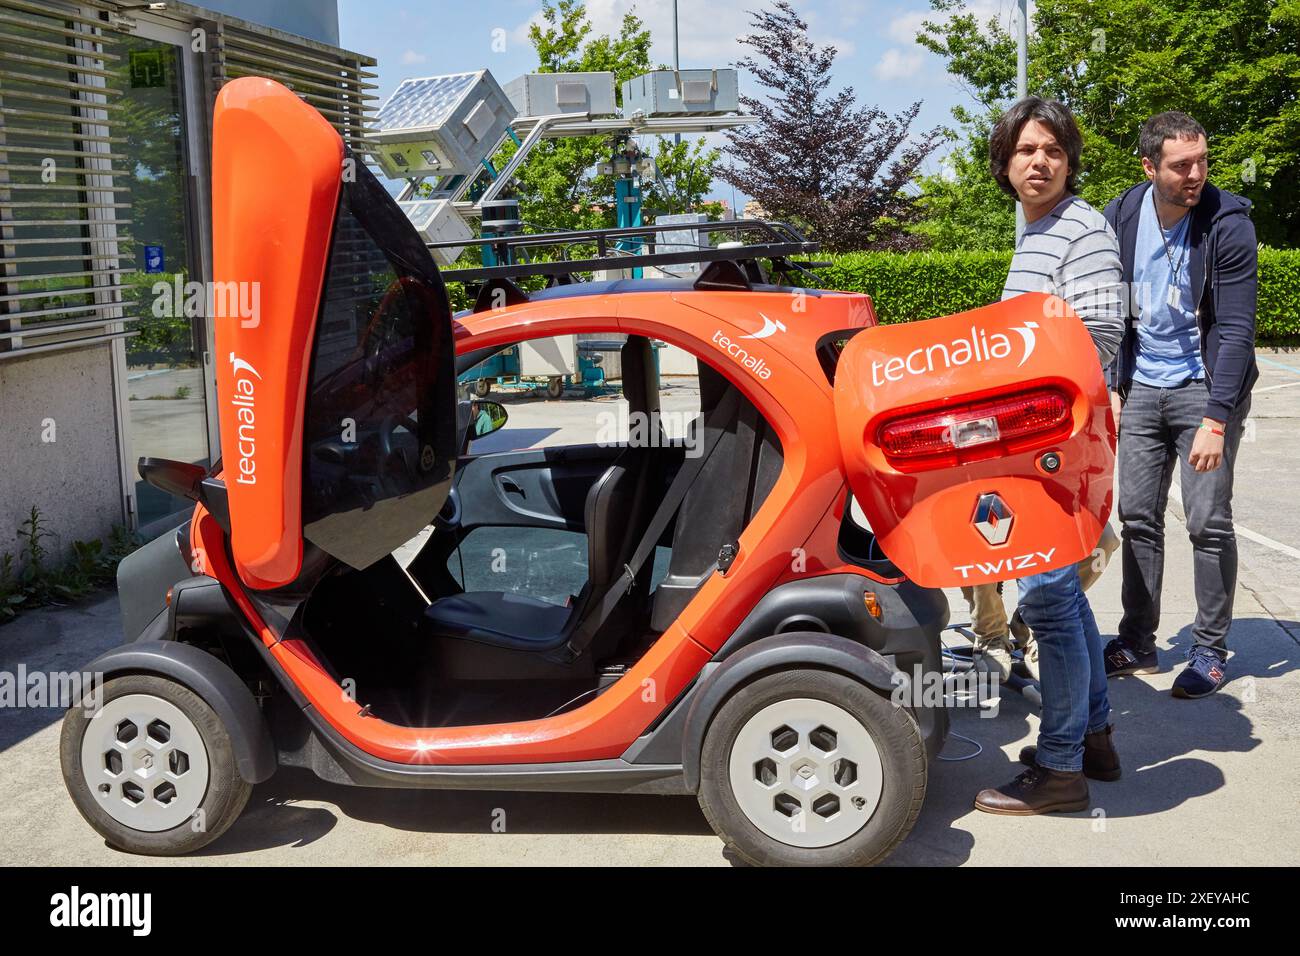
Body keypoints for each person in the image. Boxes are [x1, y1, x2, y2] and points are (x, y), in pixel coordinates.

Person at [972, 97, 1125, 815]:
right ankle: (1093, 735)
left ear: (1070, 161)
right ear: (1005, 163)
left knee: (1048, 602)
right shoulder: (1036, 232)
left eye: (1053, 151)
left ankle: (1061, 768)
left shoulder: (1083, 232)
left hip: (1059, 450)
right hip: (1035, 447)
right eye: (1027, 150)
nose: (1040, 162)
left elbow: (1097, 346)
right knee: (1061, 601)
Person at [1100, 112, 1258, 698]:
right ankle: (1138, 642)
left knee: (1207, 522)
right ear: (1149, 166)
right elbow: (1112, 305)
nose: (1196, 175)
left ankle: (1210, 650)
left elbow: (1238, 328)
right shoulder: (1122, 216)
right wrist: (1113, 376)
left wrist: (1217, 417)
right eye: (1181, 165)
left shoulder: (1228, 222)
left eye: (1202, 162)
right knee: (1137, 517)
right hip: (1142, 387)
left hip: (1204, 388)